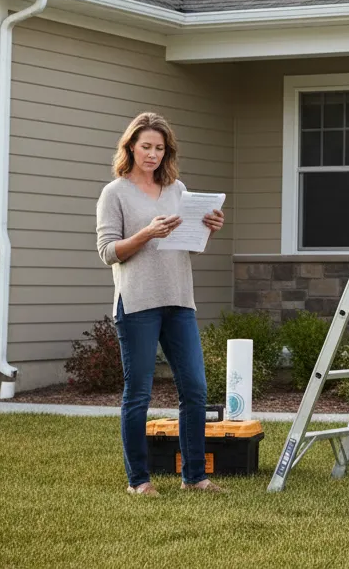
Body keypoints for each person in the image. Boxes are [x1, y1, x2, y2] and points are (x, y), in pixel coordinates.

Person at [96, 111, 225, 496]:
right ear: (131, 147)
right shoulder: (114, 193)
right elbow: (107, 252)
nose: (152, 154)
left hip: (179, 299)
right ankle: (139, 480)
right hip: (137, 302)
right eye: (145, 146)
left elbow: (187, 247)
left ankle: (195, 477)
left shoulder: (177, 189)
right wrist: (146, 233)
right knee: (138, 394)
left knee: (196, 390)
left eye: (159, 148)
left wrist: (207, 229)